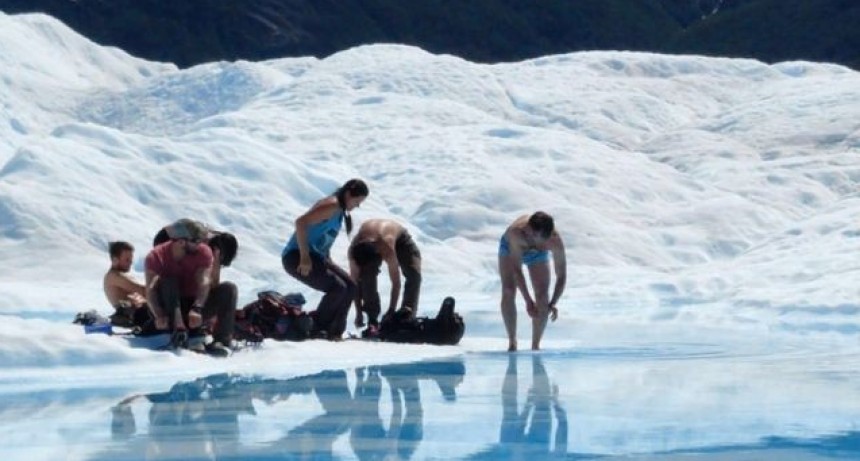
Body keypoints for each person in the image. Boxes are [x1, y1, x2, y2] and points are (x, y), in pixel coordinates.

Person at [281, 179, 368, 340]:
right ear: (348, 194)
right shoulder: (332, 205)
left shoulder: (340, 211)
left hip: (316, 257)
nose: (357, 206)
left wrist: (329, 262)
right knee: (338, 287)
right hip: (296, 256)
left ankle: (335, 331)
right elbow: (301, 222)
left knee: (351, 286)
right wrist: (304, 257)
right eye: (357, 202)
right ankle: (317, 328)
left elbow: (322, 241)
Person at [144, 219, 235, 353]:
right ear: (181, 242)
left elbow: (204, 281)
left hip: (191, 306)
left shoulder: (203, 252)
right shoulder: (156, 256)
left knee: (229, 289)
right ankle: (179, 331)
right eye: (196, 241)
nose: (200, 244)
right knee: (169, 281)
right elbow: (150, 290)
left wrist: (197, 307)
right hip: (168, 305)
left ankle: (221, 340)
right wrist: (158, 314)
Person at [498, 212, 566, 351]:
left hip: (537, 254)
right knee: (508, 290)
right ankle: (512, 341)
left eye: (533, 234)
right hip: (511, 247)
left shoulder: (555, 242)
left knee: (542, 296)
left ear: (546, 237)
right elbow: (517, 271)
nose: (527, 232)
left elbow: (561, 276)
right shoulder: (517, 233)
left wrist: (553, 302)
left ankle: (535, 345)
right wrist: (528, 301)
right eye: (528, 230)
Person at [348, 219, 422, 332]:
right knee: (366, 276)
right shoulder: (353, 252)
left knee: (414, 276)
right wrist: (358, 312)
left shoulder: (386, 247)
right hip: (370, 242)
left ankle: (407, 316)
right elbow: (355, 283)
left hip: (401, 240)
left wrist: (391, 310)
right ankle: (372, 319)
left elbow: (396, 283)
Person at [103, 241, 152, 330]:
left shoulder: (121, 275)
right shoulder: (114, 276)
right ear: (115, 260)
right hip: (135, 315)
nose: (130, 262)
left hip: (140, 311)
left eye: (131, 259)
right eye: (127, 259)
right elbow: (143, 291)